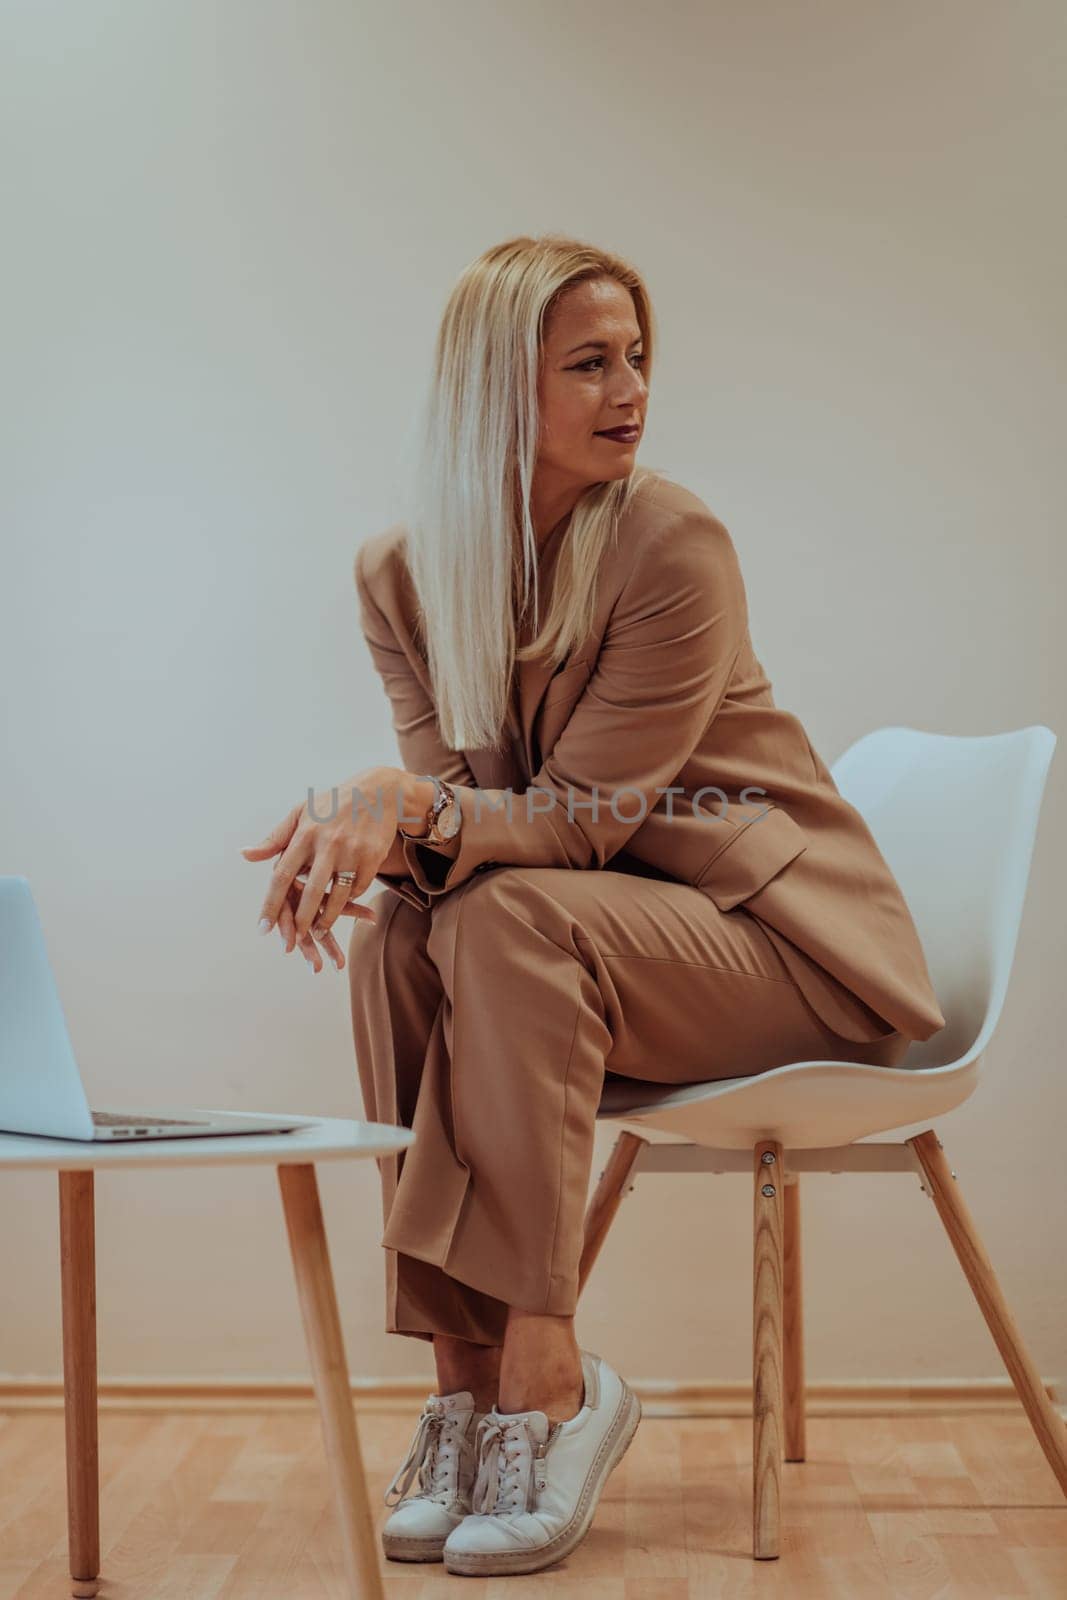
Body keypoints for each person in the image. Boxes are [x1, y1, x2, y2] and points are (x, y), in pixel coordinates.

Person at [241, 233, 946, 1578]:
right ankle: (464, 1382)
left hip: (777, 950)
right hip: (583, 951)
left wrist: (397, 806)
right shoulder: (401, 573)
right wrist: (373, 824)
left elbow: (576, 823)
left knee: (498, 919)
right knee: (399, 933)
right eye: (590, 365)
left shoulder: (671, 543)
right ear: (497, 391)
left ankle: (548, 1374)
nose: (630, 390)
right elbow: (462, 822)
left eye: (635, 360)